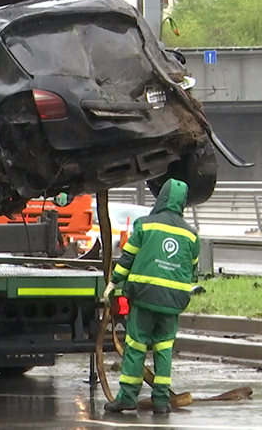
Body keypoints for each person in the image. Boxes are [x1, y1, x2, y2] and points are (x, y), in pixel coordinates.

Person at [102, 178, 199, 415]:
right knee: (164, 349)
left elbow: (127, 259)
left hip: (144, 299)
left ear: (162, 197)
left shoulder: (144, 226)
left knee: (135, 347)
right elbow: (193, 272)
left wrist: (112, 284)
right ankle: (161, 402)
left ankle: (127, 398)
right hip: (172, 303)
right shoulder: (191, 235)